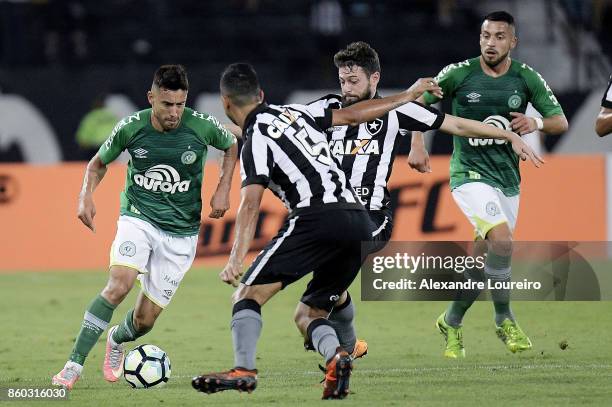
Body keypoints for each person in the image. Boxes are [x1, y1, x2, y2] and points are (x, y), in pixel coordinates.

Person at [190, 63, 541, 399]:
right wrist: (409, 95)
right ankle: (338, 357)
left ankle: (244, 370)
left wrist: (235, 259)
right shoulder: (295, 113)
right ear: (262, 94)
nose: (346, 87)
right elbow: (354, 115)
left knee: (247, 297)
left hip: (315, 216)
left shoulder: (258, 138)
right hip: (357, 220)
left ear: (225, 103)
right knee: (309, 313)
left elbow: (251, 203)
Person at [307, 41, 547, 361]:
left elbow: (456, 124)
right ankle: (350, 344)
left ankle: (336, 348)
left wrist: (509, 135)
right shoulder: (326, 108)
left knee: (312, 306)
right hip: (329, 215)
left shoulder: (397, 110)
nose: (347, 89)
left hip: (370, 216)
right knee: (330, 287)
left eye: (354, 81)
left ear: (374, 79)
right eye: (342, 81)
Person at [51, 64, 239, 390]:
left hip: (181, 233)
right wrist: (85, 196)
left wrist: (223, 187)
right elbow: (98, 163)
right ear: (151, 98)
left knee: (144, 320)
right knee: (118, 284)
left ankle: (116, 338)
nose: (174, 112)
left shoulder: (201, 126)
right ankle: (72, 367)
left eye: (180, 104)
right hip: (138, 217)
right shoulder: (131, 127)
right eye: (167, 104)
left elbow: (230, 145)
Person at [409, 11, 568, 358]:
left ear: (513, 42)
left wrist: (535, 122)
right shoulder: (458, 73)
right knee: (502, 239)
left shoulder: (526, 78)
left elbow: (560, 121)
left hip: (508, 179)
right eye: (485, 36)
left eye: (499, 37)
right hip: (468, 174)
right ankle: (504, 318)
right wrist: (417, 143)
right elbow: (418, 108)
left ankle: (451, 320)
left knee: (483, 258)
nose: (490, 43)